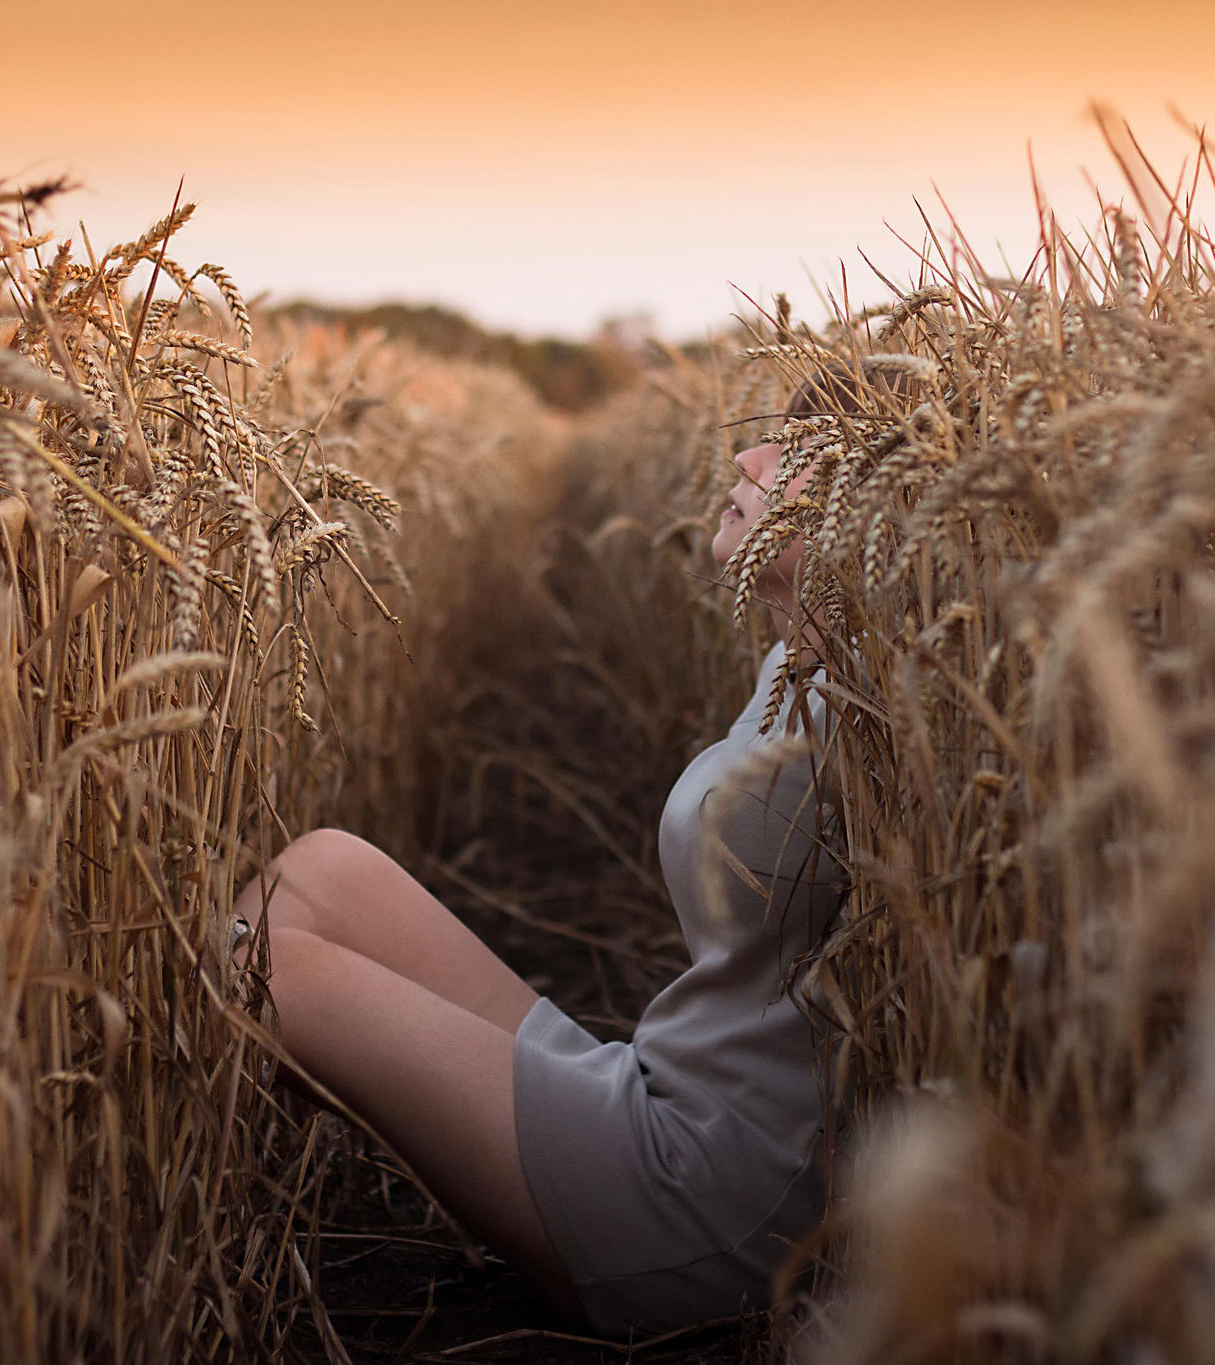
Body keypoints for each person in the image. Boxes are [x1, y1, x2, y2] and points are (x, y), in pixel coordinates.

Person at [233, 374, 854, 1336]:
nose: (749, 458)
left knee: (268, 970)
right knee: (325, 867)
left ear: (873, 511)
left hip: (715, 1195)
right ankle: (201, 1204)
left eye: (798, 451)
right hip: (660, 1085)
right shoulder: (799, 662)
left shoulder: (895, 720)